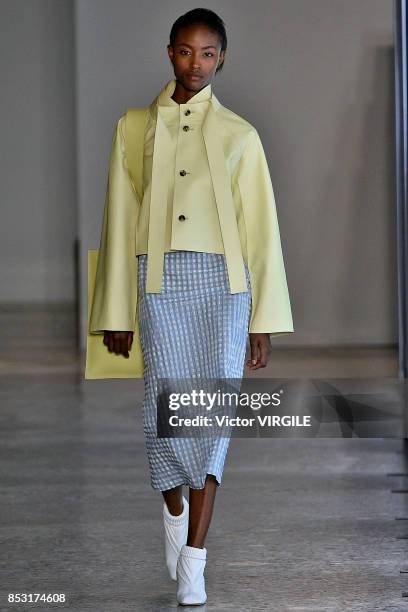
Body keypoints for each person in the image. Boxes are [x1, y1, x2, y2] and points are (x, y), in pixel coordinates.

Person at [89, 7, 294, 606]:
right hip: (159, 286)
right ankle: (173, 518)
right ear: (169, 52)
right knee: (164, 419)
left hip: (223, 291)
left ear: (222, 57)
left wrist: (263, 321)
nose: (195, 63)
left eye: (207, 53)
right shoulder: (132, 128)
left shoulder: (240, 135)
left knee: (209, 425)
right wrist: (116, 313)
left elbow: (262, 231)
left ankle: (195, 562)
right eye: (185, 51)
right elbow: (120, 219)